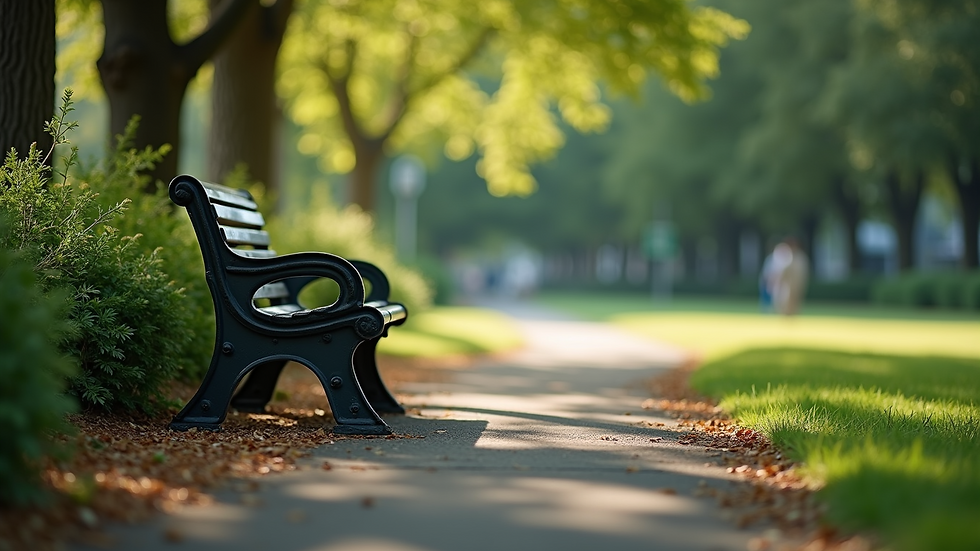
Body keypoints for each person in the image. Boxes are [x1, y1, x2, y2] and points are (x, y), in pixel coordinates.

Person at [770, 237, 809, 316]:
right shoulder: (790, 256)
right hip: (789, 285)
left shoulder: (798, 257)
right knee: (786, 303)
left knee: (794, 304)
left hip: (796, 285)